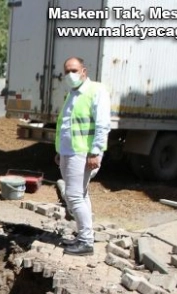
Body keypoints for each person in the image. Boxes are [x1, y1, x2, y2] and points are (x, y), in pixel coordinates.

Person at [55, 56, 111, 256]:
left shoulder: (96, 90)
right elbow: (66, 125)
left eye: (74, 70)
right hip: (68, 152)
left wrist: (95, 151)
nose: (70, 74)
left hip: (83, 152)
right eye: (67, 71)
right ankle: (83, 236)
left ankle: (86, 242)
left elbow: (103, 124)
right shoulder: (72, 94)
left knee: (73, 196)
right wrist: (59, 151)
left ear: (83, 71)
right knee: (82, 194)